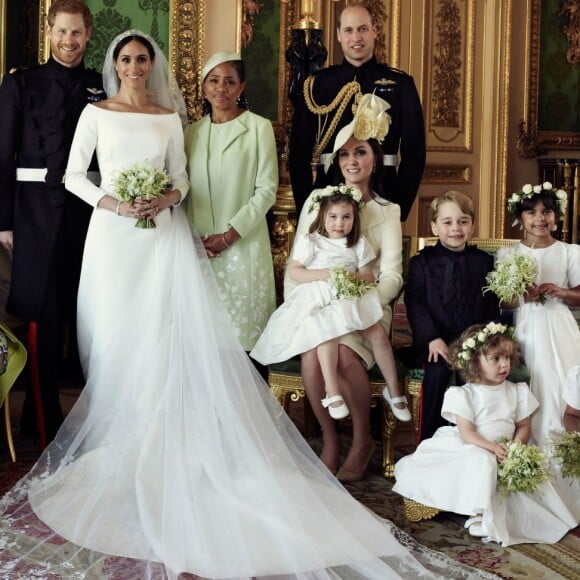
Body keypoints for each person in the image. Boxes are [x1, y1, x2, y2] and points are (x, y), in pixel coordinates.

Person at [0, 30, 473, 580]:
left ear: (153, 66)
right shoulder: (97, 113)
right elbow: (75, 176)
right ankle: (119, 434)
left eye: (142, 59)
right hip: (113, 239)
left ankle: (174, 438)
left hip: (164, 239)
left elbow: (180, 178)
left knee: (165, 333)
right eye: (126, 59)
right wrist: (116, 203)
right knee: (113, 335)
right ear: (117, 64)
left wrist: (164, 198)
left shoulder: (171, 119)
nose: (134, 66)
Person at [286, 92, 408, 481]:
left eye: (361, 154)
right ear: (337, 162)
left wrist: (361, 304)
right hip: (319, 301)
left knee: (342, 355)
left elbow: (391, 276)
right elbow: (297, 265)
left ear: (375, 159)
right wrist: (311, 302)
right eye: (345, 155)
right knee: (312, 355)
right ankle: (329, 438)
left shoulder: (388, 212)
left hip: (364, 306)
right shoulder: (317, 203)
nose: (352, 162)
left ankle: (359, 440)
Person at [0, 0, 104, 444]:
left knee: (77, 312)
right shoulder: (20, 83)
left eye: (76, 33)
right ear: (48, 31)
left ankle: (67, 415)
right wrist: (5, 221)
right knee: (41, 312)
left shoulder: (102, 86)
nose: (68, 41)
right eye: (61, 32)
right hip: (33, 212)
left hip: (87, 215)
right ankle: (45, 422)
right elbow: (2, 156)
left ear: (88, 34)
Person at [393, 323, 578, 546]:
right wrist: (493, 449)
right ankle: (480, 513)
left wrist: (514, 448)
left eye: (508, 358)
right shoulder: (464, 394)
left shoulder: (516, 391)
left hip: (505, 447)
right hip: (474, 446)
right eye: (496, 359)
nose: (505, 365)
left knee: (537, 469)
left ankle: (509, 514)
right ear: (475, 363)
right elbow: (468, 433)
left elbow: (523, 425)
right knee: (484, 462)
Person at [251, 186, 410, 425]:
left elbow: (367, 276)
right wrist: (323, 274)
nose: (339, 223)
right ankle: (332, 391)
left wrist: (349, 279)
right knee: (324, 331)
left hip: (347, 297)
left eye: (346, 217)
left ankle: (394, 390)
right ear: (323, 217)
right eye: (333, 217)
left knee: (377, 334)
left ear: (354, 219)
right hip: (318, 297)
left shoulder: (357, 244)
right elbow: (295, 272)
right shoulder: (311, 241)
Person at [184, 51, 277, 380]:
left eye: (229, 81)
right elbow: (183, 190)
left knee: (245, 342)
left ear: (241, 87)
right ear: (204, 86)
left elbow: (266, 190)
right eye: (213, 80)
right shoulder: (191, 133)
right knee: (206, 340)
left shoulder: (258, 128)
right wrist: (195, 239)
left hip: (243, 247)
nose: (220, 88)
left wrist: (229, 235)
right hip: (200, 249)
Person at [289, 1, 426, 220]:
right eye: (349, 30)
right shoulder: (316, 86)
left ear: (374, 31)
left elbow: (415, 153)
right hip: (328, 196)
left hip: (383, 194)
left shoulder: (400, 84)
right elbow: (298, 154)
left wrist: (399, 207)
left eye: (363, 29)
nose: (356, 38)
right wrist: (308, 207)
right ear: (339, 35)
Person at [404, 191, 500, 441]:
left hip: (474, 337)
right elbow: (415, 302)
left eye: (463, 221)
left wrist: (486, 336)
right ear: (435, 227)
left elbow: (491, 302)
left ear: (472, 225)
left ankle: (482, 438)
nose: (455, 228)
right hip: (436, 340)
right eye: (447, 222)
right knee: (437, 370)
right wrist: (431, 338)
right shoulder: (421, 263)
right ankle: (430, 440)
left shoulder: (483, 262)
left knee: (484, 369)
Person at [498, 182, 580, 448]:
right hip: (526, 324)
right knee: (533, 377)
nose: (540, 218)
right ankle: (528, 444)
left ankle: (564, 443)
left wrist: (563, 292)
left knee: (562, 380)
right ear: (520, 217)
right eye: (532, 212)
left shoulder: (570, 252)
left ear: (557, 216)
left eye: (547, 212)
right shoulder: (509, 253)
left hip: (559, 324)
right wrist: (523, 296)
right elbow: (504, 301)